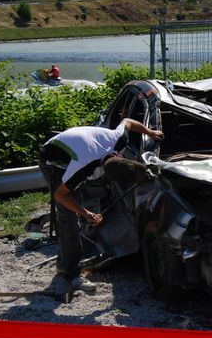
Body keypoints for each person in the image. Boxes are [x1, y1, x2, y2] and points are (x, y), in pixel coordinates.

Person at [38, 121, 164, 294]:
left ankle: (64, 260)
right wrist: (86, 213)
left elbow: (127, 121)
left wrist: (149, 132)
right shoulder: (83, 167)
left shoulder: (119, 140)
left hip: (79, 146)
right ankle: (70, 273)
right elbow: (59, 195)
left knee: (76, 197)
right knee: (69, 218)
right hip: (55, 161)